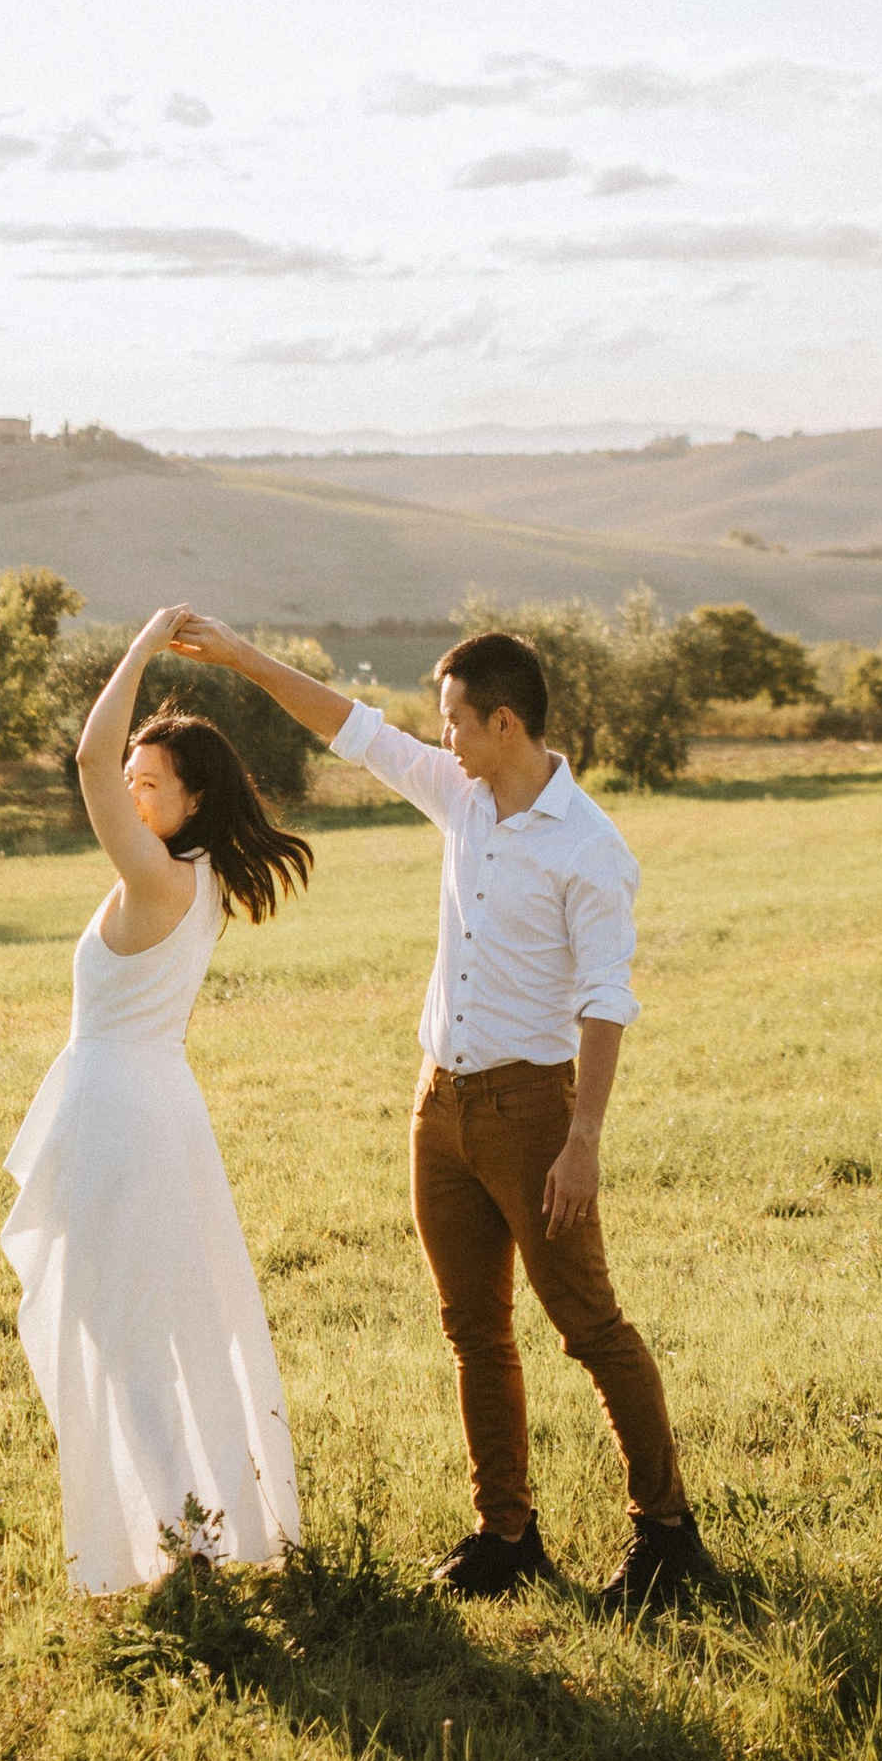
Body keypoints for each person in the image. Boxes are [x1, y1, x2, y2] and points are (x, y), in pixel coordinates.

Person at [170, 606, 717, 1613]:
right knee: (472, 1329)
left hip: (533, 1115)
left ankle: (668, 1538)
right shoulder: (458, 797)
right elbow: (349, 724)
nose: (442, 737)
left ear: (505, 723)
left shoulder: (588, 847)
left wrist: (582, 1142)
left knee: (589, 1325)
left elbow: (606, 999)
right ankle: (506, 1534)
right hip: (440, 1108)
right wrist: (241, 658)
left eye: (455, 719)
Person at [0, 607, 311, 1597]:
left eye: (149, 786)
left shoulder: (158, 878)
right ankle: (194, 1534)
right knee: (150, 1326)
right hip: (148, 1101)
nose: (129, 796)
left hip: (123, 1114)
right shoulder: (195, 876)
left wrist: (139, 645)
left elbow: (88, 759)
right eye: (132, 786)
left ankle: (187, 1548)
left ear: (190, 801)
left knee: (123, 1336)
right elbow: (106, 765)